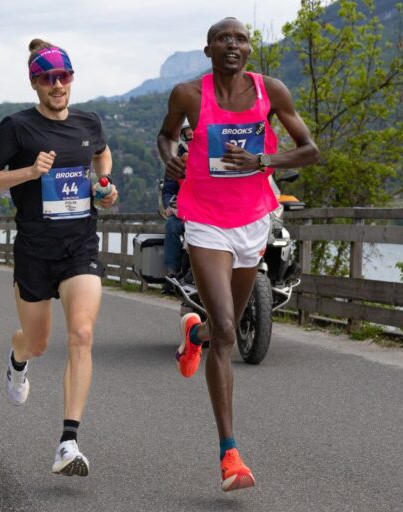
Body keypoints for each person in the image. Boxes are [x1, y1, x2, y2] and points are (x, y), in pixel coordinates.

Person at [156, 17, 319, 492]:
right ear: (208, 50)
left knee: (225, 325)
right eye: (224, 39)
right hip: (205, 220)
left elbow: (310, 151)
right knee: (228, 332)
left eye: (241, 39)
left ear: (250, 50)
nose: (233, 45)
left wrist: (265, 160)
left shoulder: (272, 92)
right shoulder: (189, 95)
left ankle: (195, 333)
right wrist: (170, 155)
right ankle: (230, 455)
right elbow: (165, 135)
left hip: (253, 221)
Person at [0, 38, 118, 477]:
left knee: (82, 333)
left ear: (72, 78)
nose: (58, 85)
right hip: (35, 252)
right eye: (48, 78)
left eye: (64, 76)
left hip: (79, 247)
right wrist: (30, 173)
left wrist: (105, 185)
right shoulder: (16, 128)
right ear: (34, 82)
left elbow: (101, 153)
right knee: (36, 342)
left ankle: (68, 442)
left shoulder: (89, 122)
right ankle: (18, 361)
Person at [161, 122, 192, 292]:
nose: (192, 135)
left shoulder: (214, 153)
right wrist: (171, 205)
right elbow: (169, 188)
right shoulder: (176, 159)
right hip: (185, 209)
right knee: (172, 225)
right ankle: (171, 274)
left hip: (210, 208)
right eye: (188, 132)